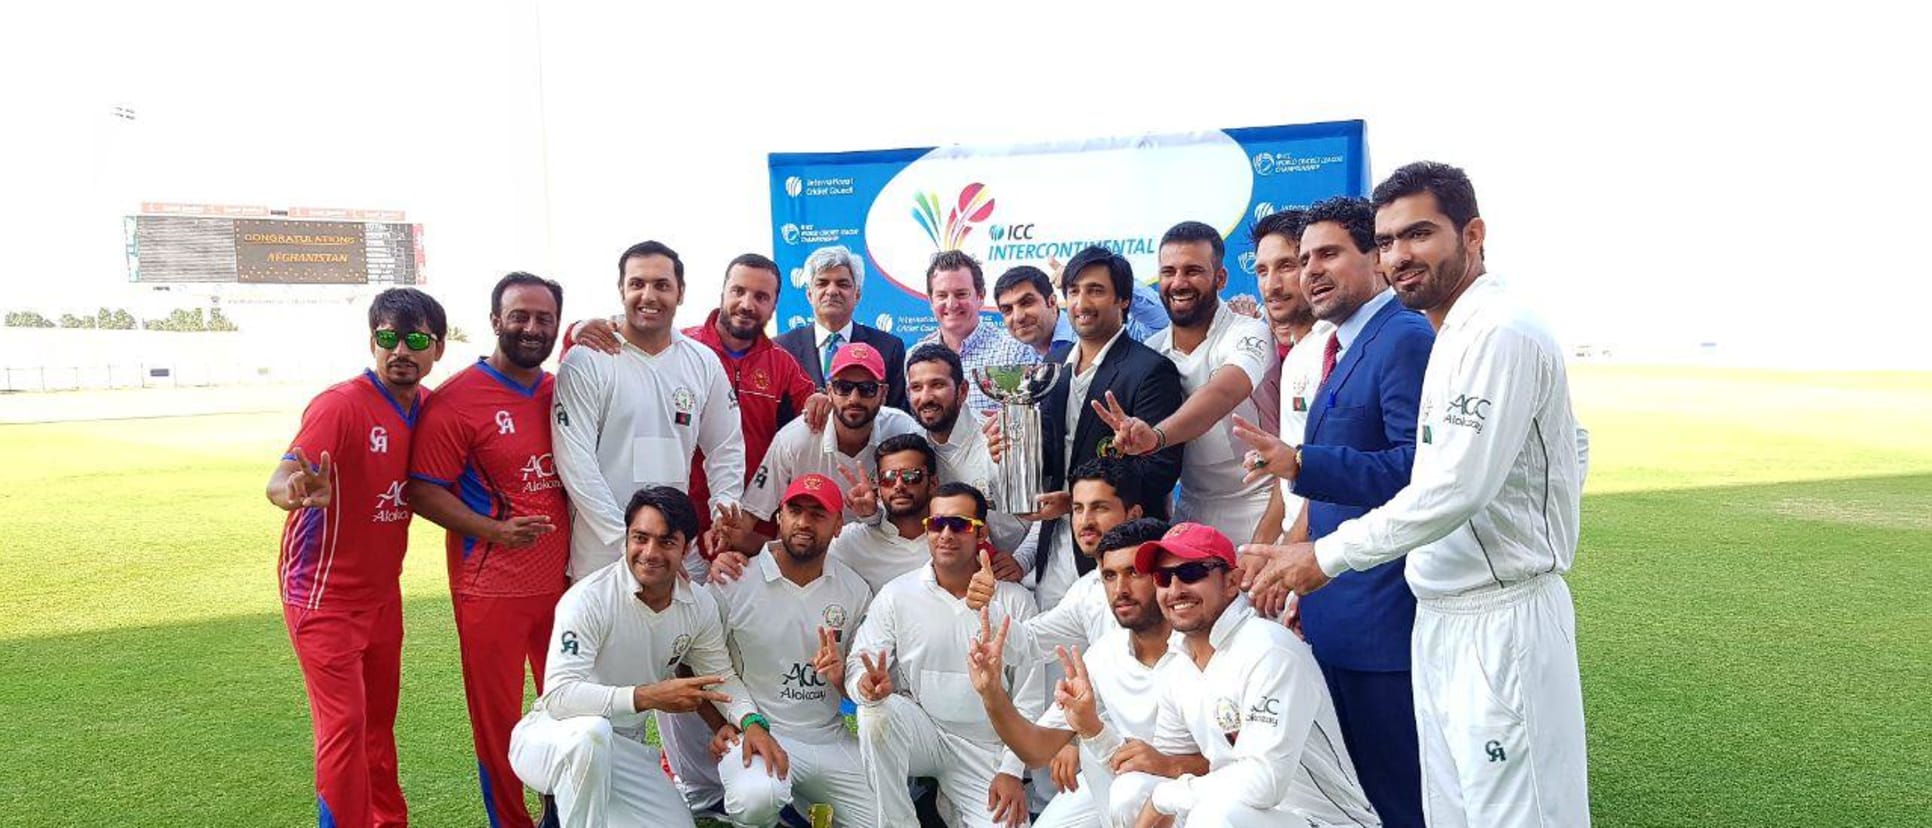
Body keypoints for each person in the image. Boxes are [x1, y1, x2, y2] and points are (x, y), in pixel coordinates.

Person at [1241, 161, 1592, 827]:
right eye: (1390, 240)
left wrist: (1324, 555)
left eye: (1420, 235)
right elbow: (1567, 448)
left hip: (1501, 616)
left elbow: (1452, 487)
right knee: (1450, 812)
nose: (1401, 255)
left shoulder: (1500, 329)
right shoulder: (1450, 329)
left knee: (1516, 815)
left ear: (1474, 234)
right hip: (1443, 614)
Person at [1232, 196, 1436, 827]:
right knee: (1355, 789)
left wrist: (1299, 463)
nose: (1309, 271)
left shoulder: (1401, 337)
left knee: (1395, 789)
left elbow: (1415, 471)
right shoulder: (1344, 344)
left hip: (1380, 613)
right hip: (1334, 605)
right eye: (1303, 258)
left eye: (1329, 254)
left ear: (1375, 259)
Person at [266, 287, 447, 828]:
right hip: (322, 595)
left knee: (377, 724)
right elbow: (281, 476)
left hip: (381, 595)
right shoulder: (340, 405)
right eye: (388, 338)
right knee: (344, 725)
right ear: (372, 341)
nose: (401, 351)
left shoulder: (430, 408)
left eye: (416, 340)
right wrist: (293, 491)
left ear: (437, 348)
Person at [405, 273, 570, 828]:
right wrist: (493, 530)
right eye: (519, 316)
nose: (531, 328)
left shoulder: (561, 391)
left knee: (570, 710)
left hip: (566, 586)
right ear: (496, 321)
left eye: (543, 319)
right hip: (490, 587)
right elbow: (423, 488)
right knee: (498, 720)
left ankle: (562, 809)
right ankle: (509, 820)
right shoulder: (457, 400)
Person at [507, 488, 774, 828]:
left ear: (686, 548)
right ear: (627, 538)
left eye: (666, 542)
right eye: (640, 538)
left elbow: (720, 675)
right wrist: (648, 696)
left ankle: (577, 802)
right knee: (592, 734)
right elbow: (559, 698)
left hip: (625, 751)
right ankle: (561, 808)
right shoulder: (588, 600)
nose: (649, 553)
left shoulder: (698, 605)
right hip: (553, 739)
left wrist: (751, 721)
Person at [1129, 523, 1379, 827]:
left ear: (1232, 581)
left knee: (1213, 817)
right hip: (1240, 814)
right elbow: (1175, 765)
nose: (1176, 588)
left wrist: (1164, 799)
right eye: (1163, 577)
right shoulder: (1176, 664)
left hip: (1323, 821)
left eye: (1192, 572)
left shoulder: (1269, 649)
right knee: (1132, 792)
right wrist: (1094, 733)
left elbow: (1263, 782)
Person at [966, 517, 1209, 828]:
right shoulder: (1102, 656)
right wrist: (992, 694)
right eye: (1109, 576)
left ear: (1161, 576)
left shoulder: (1204, 651)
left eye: (1134, 572)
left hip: (1204, 810)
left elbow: (1250, 766)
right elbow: (1036, 749)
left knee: (1132, 791)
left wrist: (1169, 765)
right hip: (1122, 810)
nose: (1120, 589)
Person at [568, 253, 830, 537]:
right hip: (676, 519)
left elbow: (813, 412)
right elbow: (598, 354)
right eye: (738, 291)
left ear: (773, 305)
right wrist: (574, 331)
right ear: (722, 292)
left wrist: (820, 398)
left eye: (760, 297)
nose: (746, 304)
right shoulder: (686, 349)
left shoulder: (781, 362)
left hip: (742, 520)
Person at [846, 483, 1043, 828]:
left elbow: (1030, 696)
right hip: (926, 731)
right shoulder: (897, 594)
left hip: (988, 749)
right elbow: (858, 662)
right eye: (937, 525)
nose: (947, 535)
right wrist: (864, 686)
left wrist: (1012, 771)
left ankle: (952, 804)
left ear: (980, 532)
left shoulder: (1015, 601)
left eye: (960, 524)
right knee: (873, 714)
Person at [552, 240, 748, 579]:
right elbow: (576, 465)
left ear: (681, 292)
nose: (649, 296)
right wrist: (626, 542)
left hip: (671, 555)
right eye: (637, 284)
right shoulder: (586, 360)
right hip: (602, 560)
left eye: (662, 285)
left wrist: (723, 504)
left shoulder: (702, 361)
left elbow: (726, 446)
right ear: (621, 289)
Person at [1013, 245, 1184, 612]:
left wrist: (1076, 500)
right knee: (1055, 660)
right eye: (1073, 291)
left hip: (1122, 555)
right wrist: (1012, 449)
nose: (1081, 303)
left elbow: (1160, 471)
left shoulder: (1151, 370)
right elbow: (1047, 453)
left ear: (1123, 299)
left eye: (1095, 290)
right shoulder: (1053, 365)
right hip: (1054, 548)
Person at [702, 473, 877, 827]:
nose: (804, 523)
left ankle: (799, 806)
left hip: (828, 735)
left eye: (818, 514)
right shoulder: (732, 582)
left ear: (839, 524)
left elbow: (861, 682)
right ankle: (779, 804)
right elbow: (697, 664)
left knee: (884, 820)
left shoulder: (855, 590)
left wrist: (843, 676)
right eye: (795, 510)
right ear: (779, 516)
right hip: (759, 731)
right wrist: (724, 724)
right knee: (756, 799)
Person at [1095, 222, 1275, 545]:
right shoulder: (1149, 351)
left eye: (1193, 271)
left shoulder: (1249, 332)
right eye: (1168, 272)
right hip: (1190, 511)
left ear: (1220, 279)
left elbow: (1222, 392)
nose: (1178, 283)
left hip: (1258, 503)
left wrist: (1157, 437)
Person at [965, 458, 1144, 661]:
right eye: (1077, 509)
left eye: (1100, 508)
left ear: (1133, 515)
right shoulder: (1086, 591)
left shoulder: (1166, 579)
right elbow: (1030, 643)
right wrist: (987, 606)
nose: (1085, 521)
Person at [738, 341, 921, 534]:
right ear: (829, 390)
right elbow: (752, 512)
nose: (854, 398)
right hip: (814, 554)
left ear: (883, 393)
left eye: (867, 388)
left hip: (884, 546)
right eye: (844, 387)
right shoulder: (794, 438)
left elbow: (927, 501)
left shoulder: (903, 428)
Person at [905, 342, 1034, 561]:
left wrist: (1023, 560)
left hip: (1019, 573)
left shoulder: (1000, 436)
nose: (925, 397)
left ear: (963, 390)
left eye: (937, 385)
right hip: (954, 571)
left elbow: (1047, 513)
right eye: (916, 387)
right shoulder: (914, 446)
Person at [773, 244, 909, 411]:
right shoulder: (782, 349)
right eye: (822, 283)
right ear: (809, 294)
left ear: (857, 295)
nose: (831, 291)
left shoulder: (888, 348)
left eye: (842, 284)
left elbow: (896, 415)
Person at [912, 250, 1038, 414]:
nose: (951, 304)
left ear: (981, 296)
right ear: (930, 300)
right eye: (942, 295)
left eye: (961, 294)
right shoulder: (914, 355)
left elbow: (1029, 418)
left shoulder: (1015, 351)